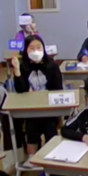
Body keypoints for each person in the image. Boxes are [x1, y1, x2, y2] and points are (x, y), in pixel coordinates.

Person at [11, 35, 64, 166]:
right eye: (32, 48)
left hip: (49, 107)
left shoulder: (52, 65)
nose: (36, 51)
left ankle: (51, 155)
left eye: (39, 47)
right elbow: (20, 90)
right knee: (32, 126)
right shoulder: (22, 66)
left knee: (50, 127)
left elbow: (58, 89)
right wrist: (16, 70)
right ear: (26, 50)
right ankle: (32, 157)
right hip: (31, 107)